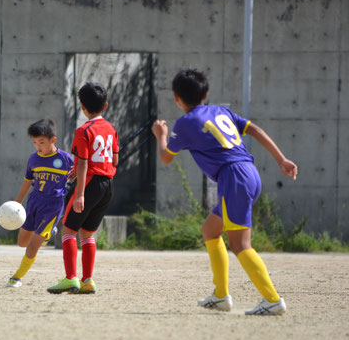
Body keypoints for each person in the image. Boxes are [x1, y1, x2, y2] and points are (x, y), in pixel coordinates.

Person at [152, 68, 298, 315]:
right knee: (210, 230)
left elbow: (166, 157)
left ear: (177, 98)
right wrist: (281, 159)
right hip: (249, 172)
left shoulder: (186, 123)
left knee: (240, 244)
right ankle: (220, 296)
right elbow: (255, 130)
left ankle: (273, 300)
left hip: (234, 178)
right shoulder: (221, 111)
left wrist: (161, 136)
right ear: (206, 93)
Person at [47, 82, 119, 294]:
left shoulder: (83, 130)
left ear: (82, 107)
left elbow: (83, 163)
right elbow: (114, 159)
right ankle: (87, 280)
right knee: (88, 233)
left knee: (68, 229)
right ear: (105, 106)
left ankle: (71, 278)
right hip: (107, 184)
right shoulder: (111, 129)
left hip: (88, 184)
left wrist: (79, 193)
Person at [6, 119, 74, 288]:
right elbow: (27, 181)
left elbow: (80, 174)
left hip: (52, 206)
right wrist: (18, 202)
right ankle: (49, 233)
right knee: (22, 242)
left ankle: (16, 278)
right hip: (34, 202)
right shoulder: (34, 159)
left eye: (41, 142)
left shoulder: (65, 159)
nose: (38, 146)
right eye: (35, 142)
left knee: (32, 247)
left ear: (53, 140)